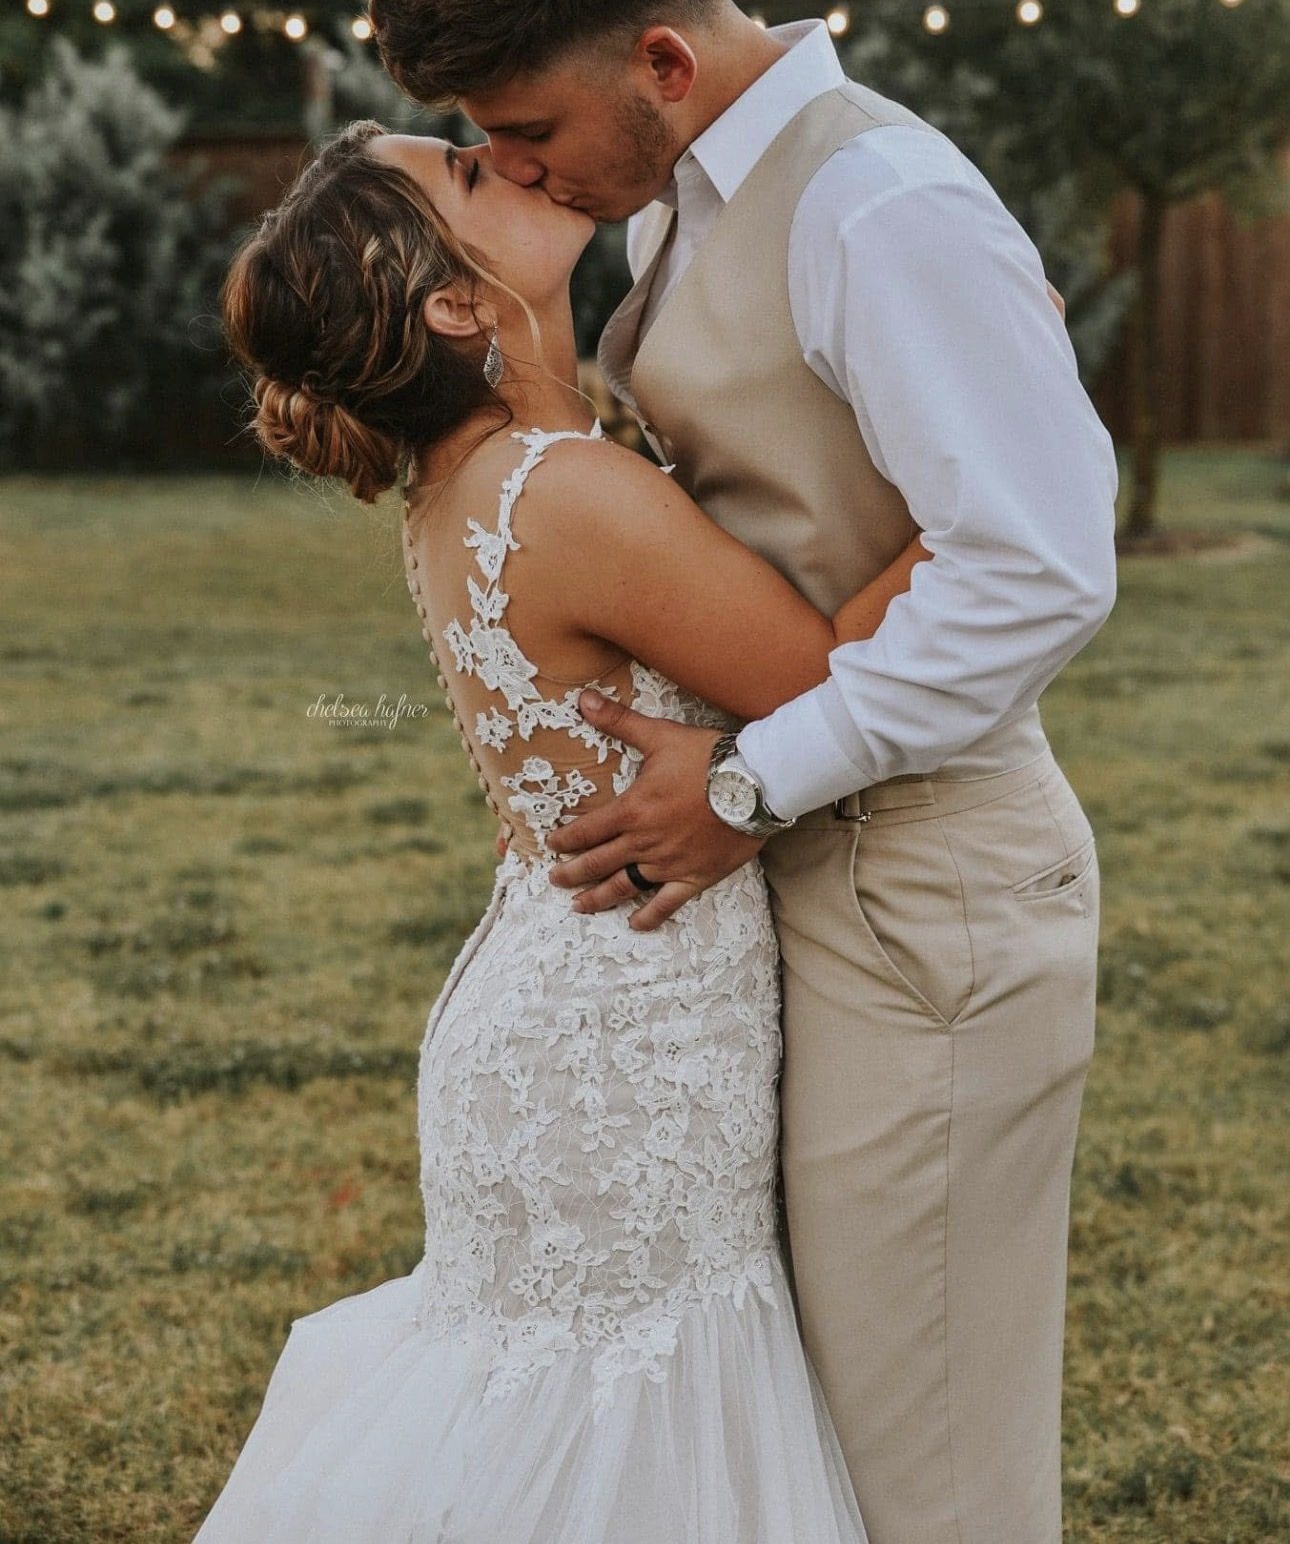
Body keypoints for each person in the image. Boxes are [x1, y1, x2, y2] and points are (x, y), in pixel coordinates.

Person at [367, 0, 1119, 1543]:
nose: (522, 172)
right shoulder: (678, 210)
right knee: (817, 1457)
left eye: (529, 131)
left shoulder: (878, 205)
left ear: (659, 61)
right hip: (808, 896)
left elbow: (1036, 563)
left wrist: (744, 779)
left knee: (927, 1478)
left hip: (927, 895)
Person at [196, 113, 962, 1539]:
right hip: (623, 1048)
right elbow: (820, 680)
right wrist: (977, 480)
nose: (513, 156)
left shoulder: (474, 482)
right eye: (469, 172)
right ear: (453, 302)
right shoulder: (562, 491)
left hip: (558, 1005)